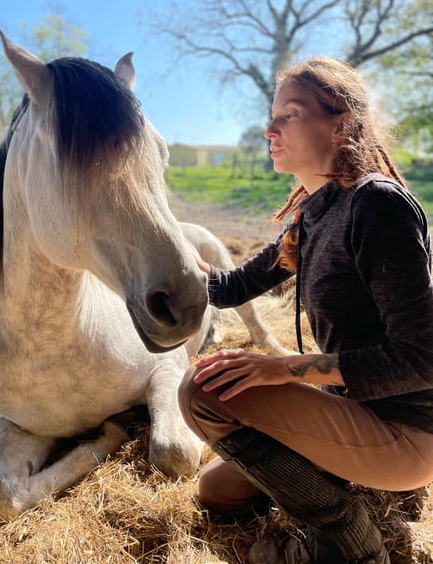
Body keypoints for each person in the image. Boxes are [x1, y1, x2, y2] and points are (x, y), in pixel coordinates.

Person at [178, 56, 433, 564]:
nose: (269, 129)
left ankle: (347, 541)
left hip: (408, 431)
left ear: (341, 124)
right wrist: (159, 246)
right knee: (217, 491)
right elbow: (229, 287)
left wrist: (283, 369)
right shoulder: (314, 214)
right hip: (354, 411)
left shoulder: (375, 205)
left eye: (290, 114)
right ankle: (337, 482)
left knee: (201, 392)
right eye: (272, 116)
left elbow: (423, 358)